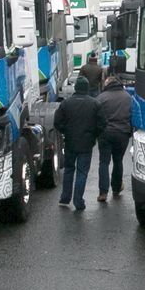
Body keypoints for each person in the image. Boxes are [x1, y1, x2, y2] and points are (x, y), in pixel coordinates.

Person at [54, 75, 106, 211]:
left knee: (69, 170)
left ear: (76, 88)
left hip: (70, 142)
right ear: (87, 88)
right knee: (82, 172)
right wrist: (93, 135)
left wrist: (66, 132)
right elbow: (102, 124)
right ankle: (78, 201)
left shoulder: (66, 103)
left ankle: (65, 198)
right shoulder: (95, 104)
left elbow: (57, 122)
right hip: (86, 144)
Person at [95, 76, 133, 202]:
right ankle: (116, 188)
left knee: (104, 162)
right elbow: (133, 115)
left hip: (105, 134)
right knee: (118, 161)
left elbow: (96, 117)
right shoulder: (128, 97)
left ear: (107, 85)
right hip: (122, 133)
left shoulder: (101, 97)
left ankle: (103, 192)